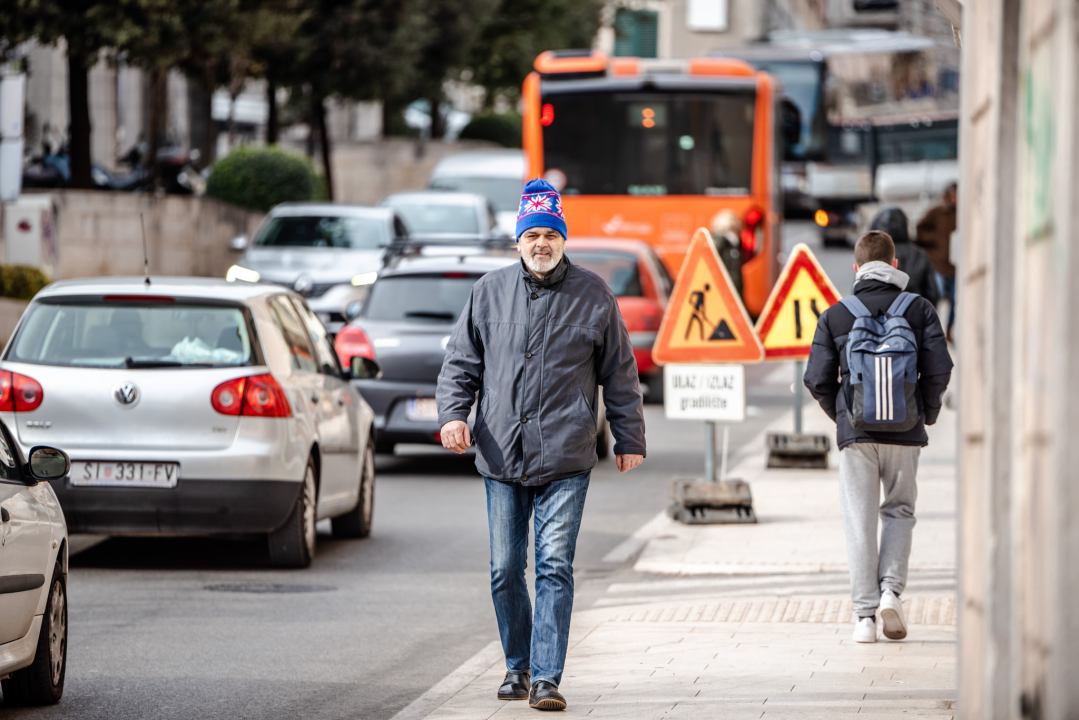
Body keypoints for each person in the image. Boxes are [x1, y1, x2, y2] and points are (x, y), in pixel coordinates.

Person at [437, 178, 647, 711]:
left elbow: (619, 373)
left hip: (566, 454)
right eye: (532, 234)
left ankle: (547, 677)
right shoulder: (487, 291)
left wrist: (629, 436)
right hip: (501, 452)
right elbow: (461, 364)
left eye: (550, 233)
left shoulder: (594, 293)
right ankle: (518, 666)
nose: (541, 243)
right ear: (518, 241)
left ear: (562, 239)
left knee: (554, 565)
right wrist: (453, 415)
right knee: (506, 569)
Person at [803, 230, 952, 644]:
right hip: (906, 431)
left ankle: (864, 618)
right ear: (894, 265)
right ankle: (891, 591)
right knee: (900, 511)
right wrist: (927, 412)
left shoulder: (836, 314)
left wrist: (843, 417)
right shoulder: (919, 309)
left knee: (859, 521)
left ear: (857, 268)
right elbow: (940, 369)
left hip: (858, 436)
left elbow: (816, 378)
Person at [868, 207, 939, 306]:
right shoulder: (919, 254)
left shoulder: (873, 254)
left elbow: (859, 290)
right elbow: (933, 292)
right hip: (913, 312)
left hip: (881, 314)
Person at [915, 183, 957, 341]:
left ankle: (949, 329)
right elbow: (920, 229)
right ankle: (933, 328)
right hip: (937, 263)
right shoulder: (936, 212)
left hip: (954, 265)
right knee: (935, 296)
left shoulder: (961, 214)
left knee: (954, 299)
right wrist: (934, 241)